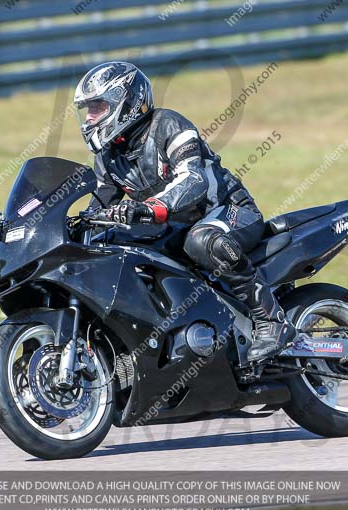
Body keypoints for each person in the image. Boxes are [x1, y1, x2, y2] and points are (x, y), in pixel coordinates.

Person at [73, 61, 296, 365]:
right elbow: (100, 205)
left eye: (97, 107)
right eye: (87, 110)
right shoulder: (108, 157)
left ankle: (272, 320)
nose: (89, 118)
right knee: (117, 247)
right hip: (176, 228)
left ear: (125, 102)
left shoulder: (169, 125)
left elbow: (193, 179)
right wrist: (74, 225)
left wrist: (152, 206)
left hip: (227, 211)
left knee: (202, 240)